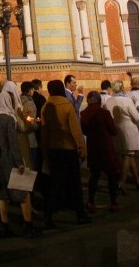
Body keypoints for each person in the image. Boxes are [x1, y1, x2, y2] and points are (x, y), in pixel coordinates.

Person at [40, 79, 92, 228]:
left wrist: (44, 150)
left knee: (53, 184)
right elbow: (75, 130)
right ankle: (80, 214)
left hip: (53, 149)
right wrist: (82, 149)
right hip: (68, 149)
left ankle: (48, 217)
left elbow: (44, 131)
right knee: (75, 183)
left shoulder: (46, 106)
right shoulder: (66, 105)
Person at [0, 80, 39, 238]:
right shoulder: (10, 119)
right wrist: (20, 163)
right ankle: (28, 225)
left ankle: (4, 226)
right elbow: (13, 143)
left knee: (3, 194)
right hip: (11, 160)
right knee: (24, 192)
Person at [80, 91, 122, 212]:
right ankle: (113, 203)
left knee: (94, 175)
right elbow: (113, 130)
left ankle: (91, 201)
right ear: (99, 100)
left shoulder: (84, 114)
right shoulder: (103, 113)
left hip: (92, 146)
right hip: (105, 146)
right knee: (112, 175)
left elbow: (84, 131)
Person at [104, 80, 139, 193]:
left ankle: (138, 181)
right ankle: (122, 183)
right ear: (122, 88)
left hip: (116, 130)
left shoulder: (109, 101)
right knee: (127, 156)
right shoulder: (127, 100)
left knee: (129, 156)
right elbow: (137, 117)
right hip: (129, 131)